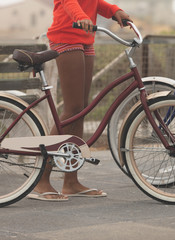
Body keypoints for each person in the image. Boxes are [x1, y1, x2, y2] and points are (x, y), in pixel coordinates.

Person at [28, 0, 132, 201]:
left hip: (85, 38)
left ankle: (71, 181)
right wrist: (81, 17)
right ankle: (41, 179)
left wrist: (115, 11)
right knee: (71, 110)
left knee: (81, 111)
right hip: (66, 36)